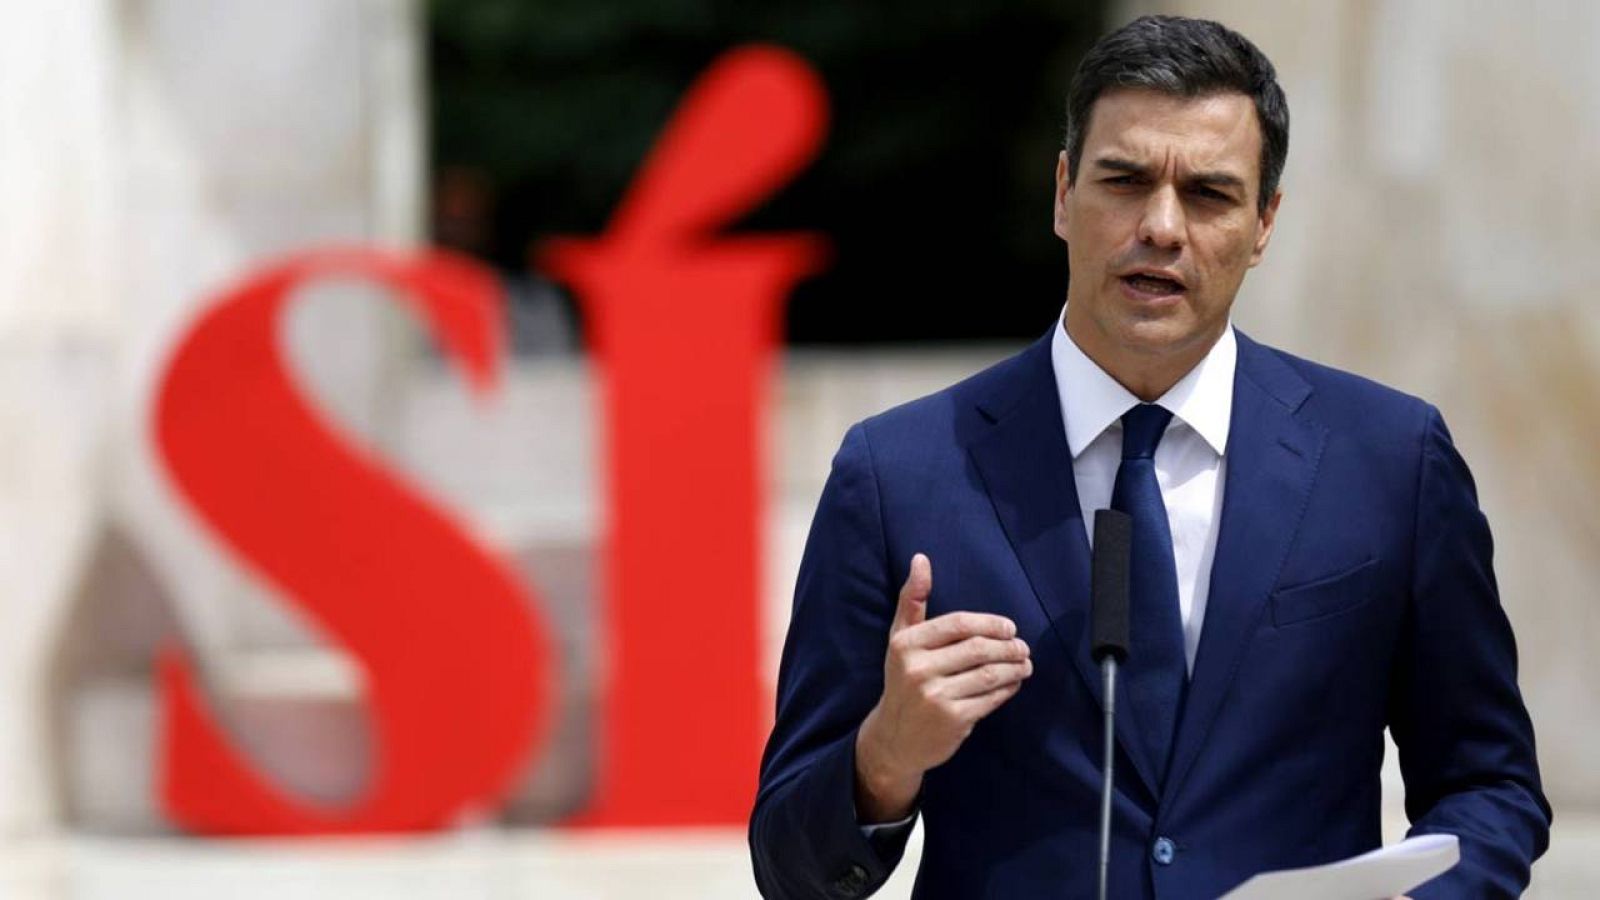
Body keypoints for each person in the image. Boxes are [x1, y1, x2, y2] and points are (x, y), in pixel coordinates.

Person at [749, 14, 1550, 900]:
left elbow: (1490, 787)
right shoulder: (897, 474)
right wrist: (883, 759)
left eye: (1208, 194)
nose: (1161, 227)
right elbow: (789, 868)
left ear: (1263, 223)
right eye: (1125, 181)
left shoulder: (1389, 461)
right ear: (1064, 193)